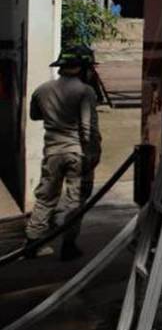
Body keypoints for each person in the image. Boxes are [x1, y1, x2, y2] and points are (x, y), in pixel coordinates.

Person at [22, 45, 100, 260]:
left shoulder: (42, 90)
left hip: (53, 152)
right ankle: (69, 246)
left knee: (46, 196)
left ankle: (33, 241)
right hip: (77, 153)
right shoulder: (86, 92)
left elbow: (35, 116)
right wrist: (93, 153)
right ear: (83, 68)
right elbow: (87, 128)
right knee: (75, 200)